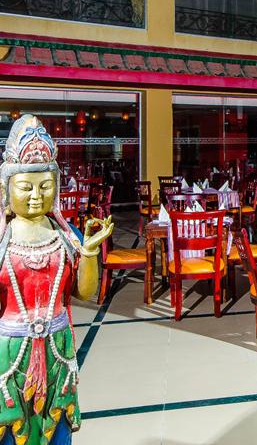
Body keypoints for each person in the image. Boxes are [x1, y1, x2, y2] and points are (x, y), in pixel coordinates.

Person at [0, 115, 113, 444]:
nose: (36, 195)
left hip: (58, 348)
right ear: (6, 189)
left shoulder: (65, 235)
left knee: (57, 427)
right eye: (26, 187)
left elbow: (85, 292)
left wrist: (88, 252)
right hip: (10, 349)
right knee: (13, 430)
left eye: (45, 186)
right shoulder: (4, 239)